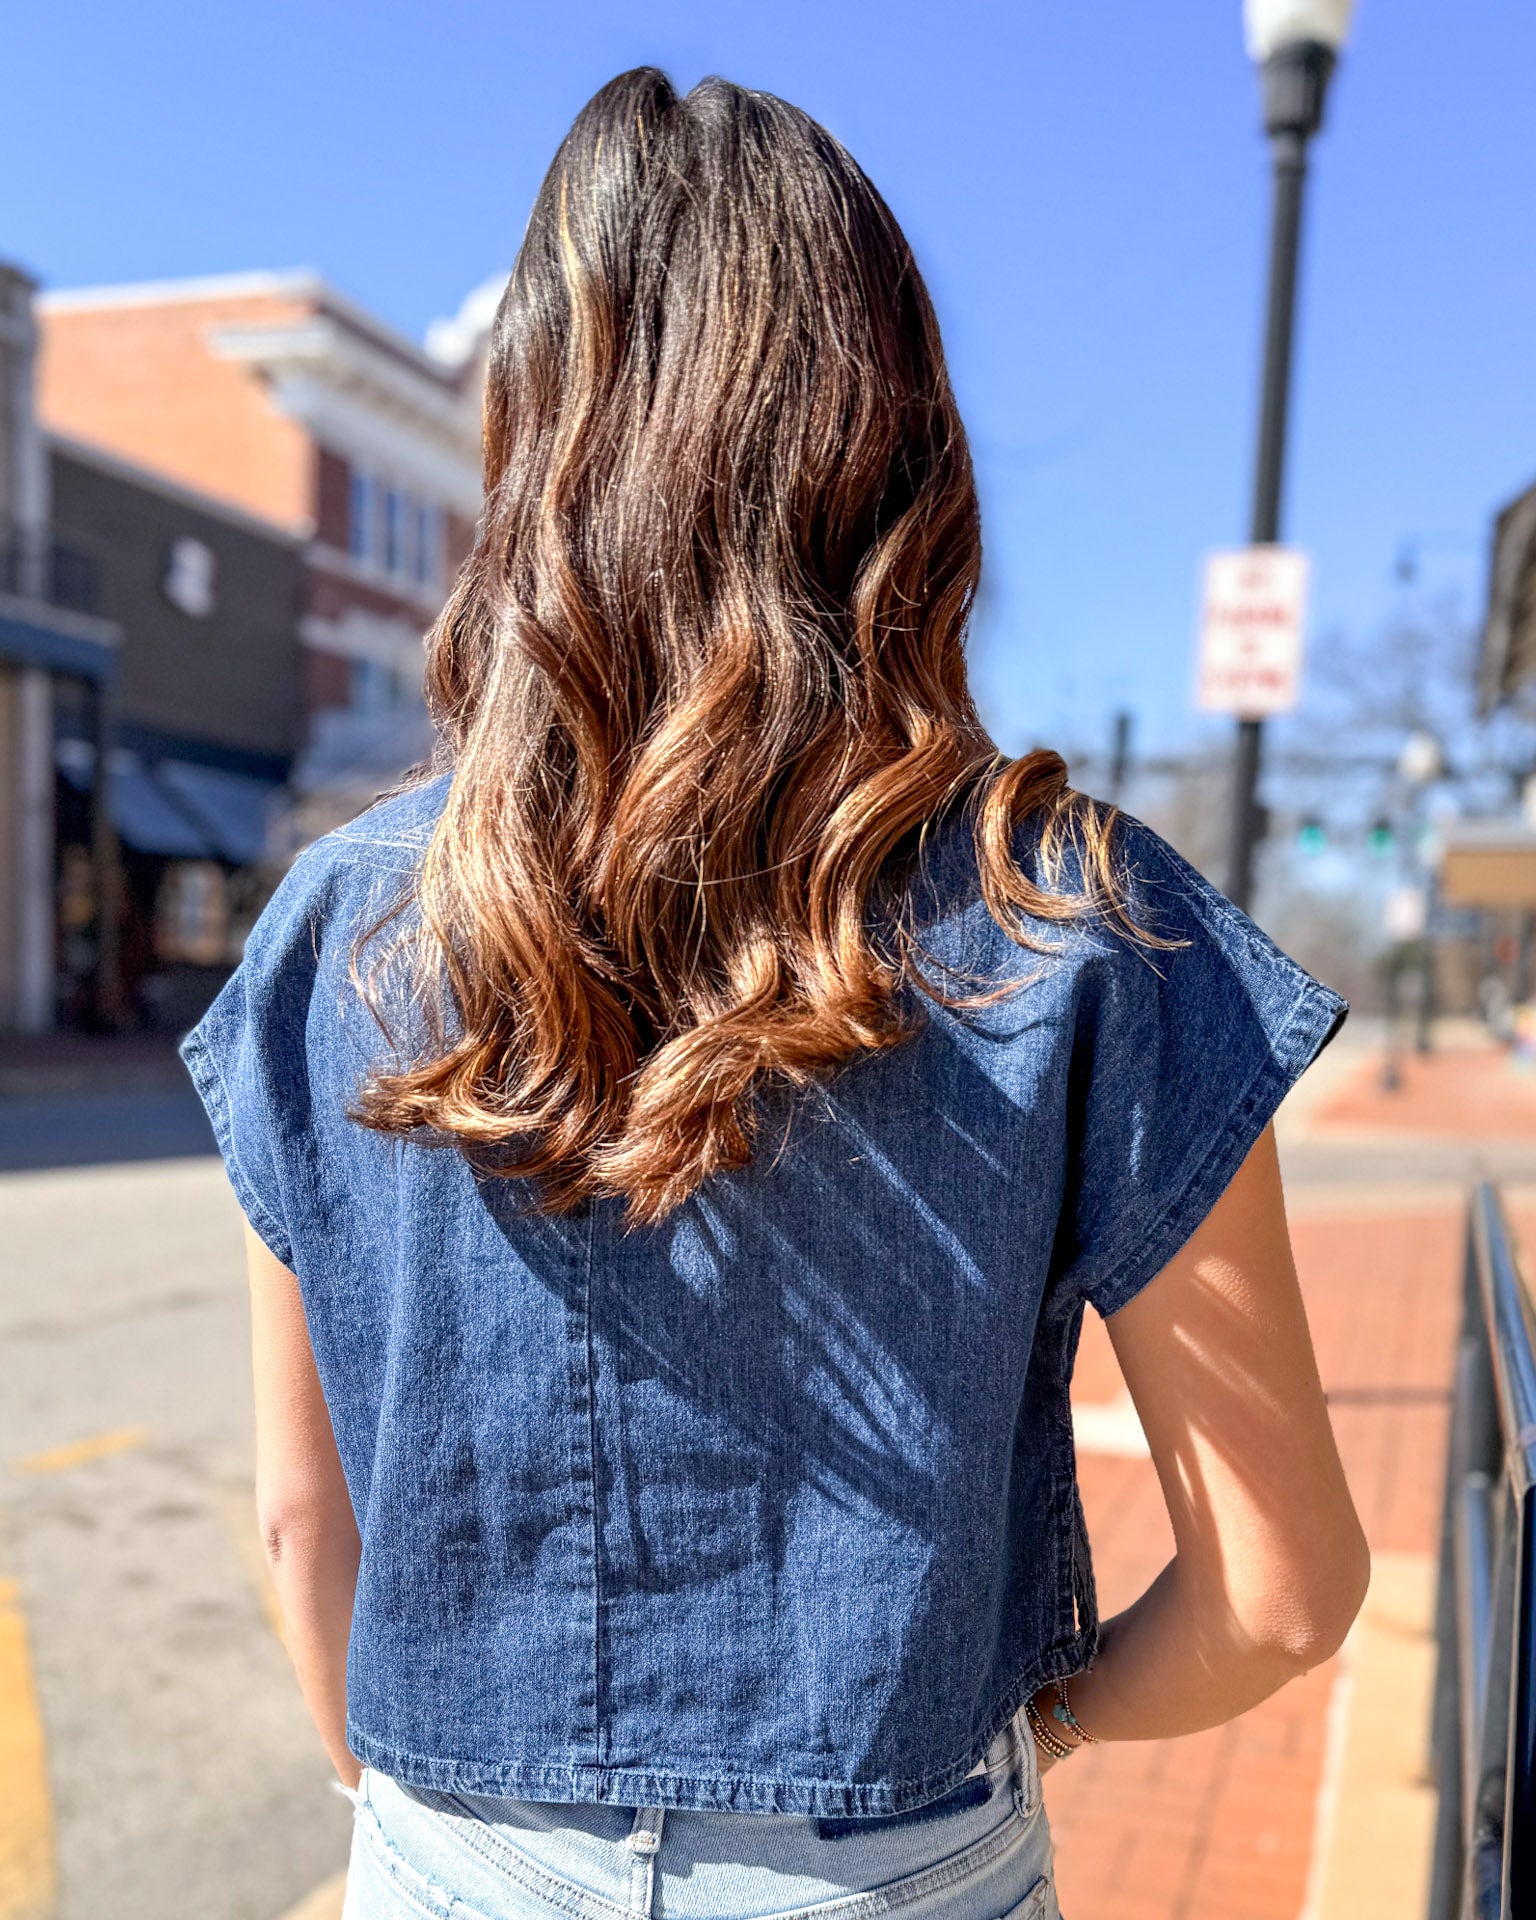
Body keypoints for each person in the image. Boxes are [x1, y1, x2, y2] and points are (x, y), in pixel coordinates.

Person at [181, 68, 1368, 1920]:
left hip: (451, 1858)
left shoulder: (339, 929)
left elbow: (297, 1526)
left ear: (537, 433)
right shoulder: (1077, 917)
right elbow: (1283, 1590)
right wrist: (1015, 1731)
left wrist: (428, 1829)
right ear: (890, 436)